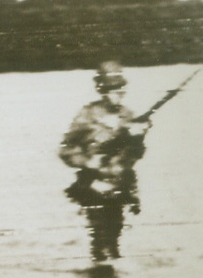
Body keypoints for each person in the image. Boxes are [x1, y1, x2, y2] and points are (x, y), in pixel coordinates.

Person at [59, 61, 149, 261]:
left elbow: (136, 154)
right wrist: (87, 161)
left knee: (115, 231)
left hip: (119, 182)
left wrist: (138, 136)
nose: (118, 94)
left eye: (121, 90)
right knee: (100, 235)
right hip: (93, 183)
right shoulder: (88, 115)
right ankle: (100, 271)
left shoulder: (128, 116)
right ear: (103, 90)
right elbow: (65, 149)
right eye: (113, 90)